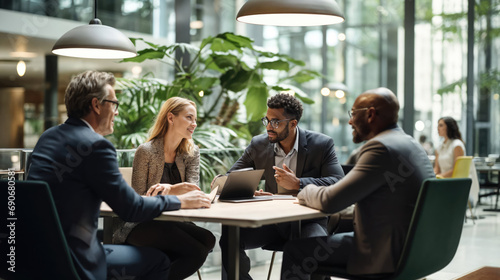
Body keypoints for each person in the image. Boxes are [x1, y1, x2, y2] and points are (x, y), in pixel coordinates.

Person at [27, 71, 212, 280]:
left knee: (193, 244)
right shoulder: (96, 146)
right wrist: (179, 201)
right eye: (114, 104)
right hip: (76, 258)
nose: (116, 112)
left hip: (34, 252)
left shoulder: (47, 137)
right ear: (97, 105)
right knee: (159, 261)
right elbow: (132, 208)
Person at [280, 87, 435, 279]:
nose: (350, 121)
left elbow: (330, 201)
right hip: (415, 249)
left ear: (370, 114)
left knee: (296, 251)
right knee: (319, 241)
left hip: (383, 253)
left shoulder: (381, 147)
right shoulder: (411, 145)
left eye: (353, 113)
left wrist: (301, 188)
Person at [217, 92, 345, 279]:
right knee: (230, 238)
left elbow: (338, 181)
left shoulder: (321, 144)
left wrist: (299, 183)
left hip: (308, 220)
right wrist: (247, 190)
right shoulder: (258, 145)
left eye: (275, 122)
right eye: (267, 120)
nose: (269, 127)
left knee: (315, 247)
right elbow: (230, 177)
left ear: (293, 124)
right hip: (272, 221)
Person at [112, 97, 216, 280]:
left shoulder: (191, 153)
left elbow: (194, 191)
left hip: (173, 221)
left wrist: (171, 189)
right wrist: (173, 191)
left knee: (208, 239)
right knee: (196, 253)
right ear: (170, 118)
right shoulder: (146, 151)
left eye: (195, 119)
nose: (194, 124)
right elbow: (136, 200)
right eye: (189, 118)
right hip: (140, 224)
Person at [434, 116, 479, 204]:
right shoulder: (439, 147)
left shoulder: (457, 145)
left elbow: (456, 170)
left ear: (448, 127)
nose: (437, 128)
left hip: (453, 182)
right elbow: (436, 168)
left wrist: (439, 177)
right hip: (442, 181)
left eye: (441, 125)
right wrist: (432, 176)